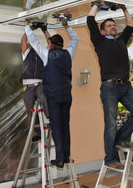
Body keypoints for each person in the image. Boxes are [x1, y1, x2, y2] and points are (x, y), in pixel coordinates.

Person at [87, 1, 133, 169]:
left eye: (113, 25)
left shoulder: (121, 40)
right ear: (103, 31)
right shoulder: (99, 41)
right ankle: (111, 159)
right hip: (109, 87)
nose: (113, 27)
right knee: (111, 124)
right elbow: (90, 21)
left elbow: (129, 25)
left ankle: (121, 139)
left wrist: (124, 8)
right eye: (109, 25)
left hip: (125, 86)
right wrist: (96, 6)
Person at [24, 16, 78, 168]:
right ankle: (66, 156)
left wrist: (27, 25)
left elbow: (33, 42)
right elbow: (74, 39)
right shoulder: (68, 53)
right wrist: (66, 25)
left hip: (53, 98)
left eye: (49, 44)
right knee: (65, 126)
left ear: (52, 45)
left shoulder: (47, 55)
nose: (47, 46)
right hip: (66, 96)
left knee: (56, 127)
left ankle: (60, 159)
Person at [20, 23, 51, 141]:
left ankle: (52, 120)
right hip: (27, 86)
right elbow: (23, 41)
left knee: (44, 98)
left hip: (39, 84)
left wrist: (45, 30)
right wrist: (30, 29)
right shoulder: (27, 54)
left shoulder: (44, 54)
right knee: (30, 109)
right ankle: (37, 132)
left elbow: (50, 43)